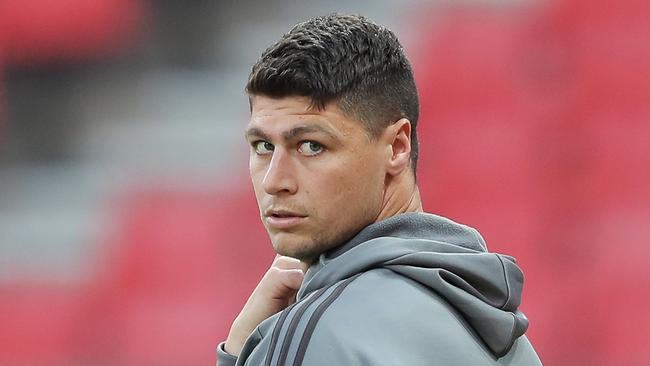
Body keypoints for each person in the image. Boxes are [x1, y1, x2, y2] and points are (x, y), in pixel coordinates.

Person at [217, 13, 542, 366]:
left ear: (397, 147)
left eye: (311, 146)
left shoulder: (318, 333)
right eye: (263, 146)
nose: (274, 181)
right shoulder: (491, 326)